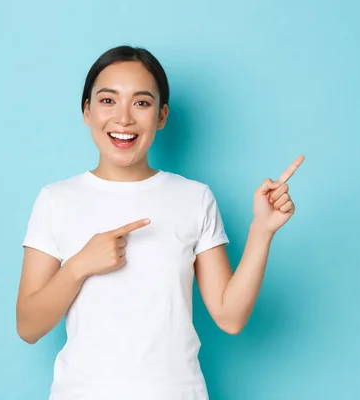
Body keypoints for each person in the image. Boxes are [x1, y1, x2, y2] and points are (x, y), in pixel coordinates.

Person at [15, 45, 304, 400]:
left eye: (141, 102)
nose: (123, 118)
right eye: (108, 101)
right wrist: (79, 266)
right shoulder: (56, 200)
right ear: (87, 111)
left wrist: (262, 230)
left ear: (162, 115)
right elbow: (28, 326)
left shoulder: (195, 198)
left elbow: (230, 317)